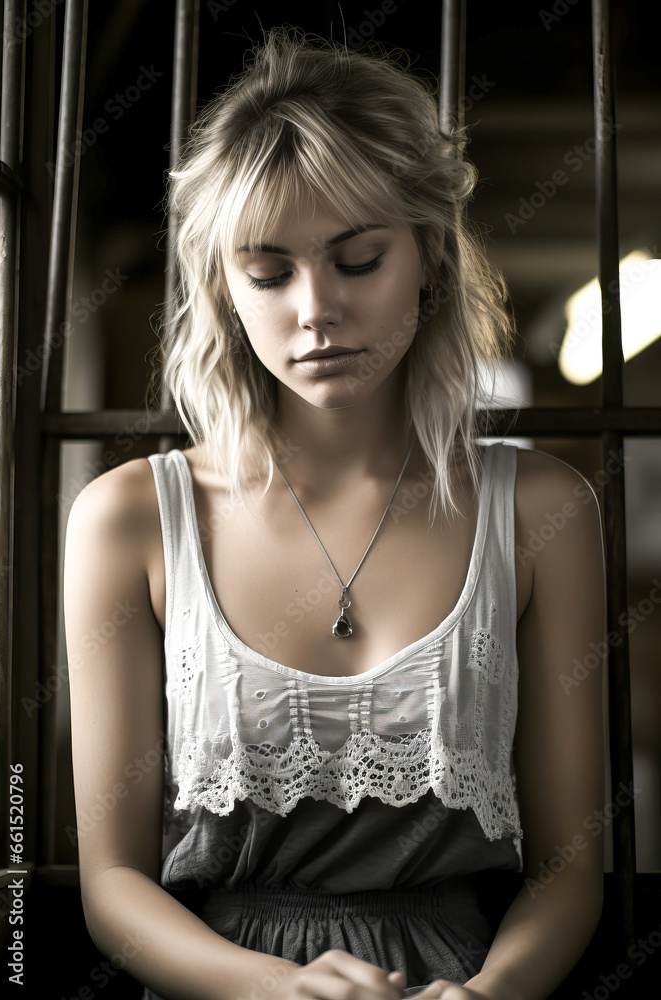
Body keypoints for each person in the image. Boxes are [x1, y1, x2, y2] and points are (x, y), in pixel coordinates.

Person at [64, 26, 606, 1000]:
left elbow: (569, 868)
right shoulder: (130, 519)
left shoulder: (540, 510)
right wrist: (271, 988)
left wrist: (488, 997)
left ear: (429, 256)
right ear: (224, 292)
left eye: (358, 260)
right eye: (268, 273)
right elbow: (109, 882)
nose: (315, 308)